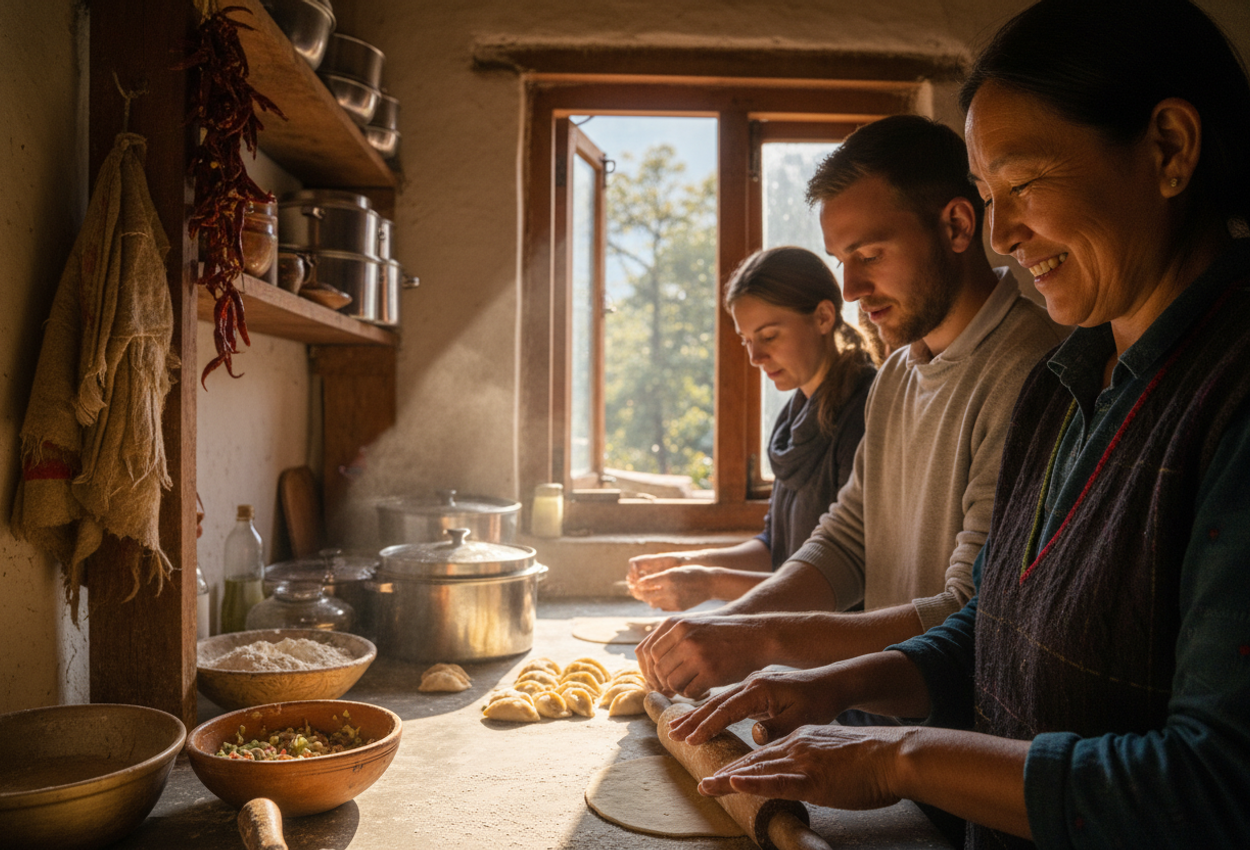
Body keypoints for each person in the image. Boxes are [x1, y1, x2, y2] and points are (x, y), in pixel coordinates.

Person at [667, 1, 1250, 847]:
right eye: (989, 195)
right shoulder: (1072, 381)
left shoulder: (1226, 392)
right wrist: (821, 687)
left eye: (1025, 185)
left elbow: (1215, 786)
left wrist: (895, 757)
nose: (1004, 237)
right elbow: (997, 624)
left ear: (1167, 149)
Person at [637, 114, 1066, 699]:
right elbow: (846, 542)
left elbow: (972, 610)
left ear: (958, 225)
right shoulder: (896, 374)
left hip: (955, 739)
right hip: (874, 711)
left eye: (869, 254)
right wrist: (729, 623)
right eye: (841, 259)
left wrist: (759, 640)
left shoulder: (1034, 369)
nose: (851, 289)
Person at [626, 246, 877, 612]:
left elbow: (844, 578)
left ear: (823, 317)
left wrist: (710, 583)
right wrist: (687, 563)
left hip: (845, 646)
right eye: (746, 340)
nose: (754, 358)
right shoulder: (796, 416)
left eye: (769, 336)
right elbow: (775, 547)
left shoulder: (866, 413)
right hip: (797, 635)